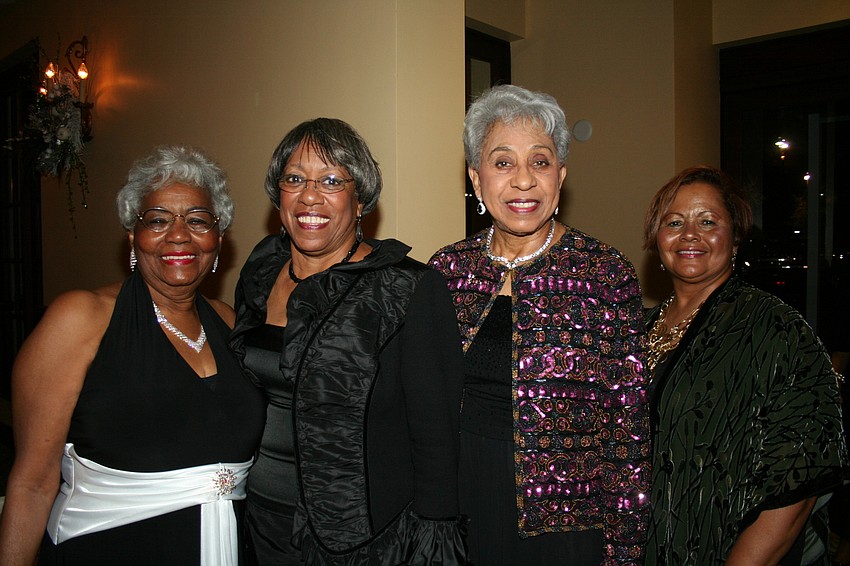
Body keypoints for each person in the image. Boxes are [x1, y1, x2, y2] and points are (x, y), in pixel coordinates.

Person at [0, 145, 266, 565]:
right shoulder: (80, 318)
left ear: (218, 240)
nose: (178, 235)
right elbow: (32, 483)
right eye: (158, 220)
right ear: (132, 236)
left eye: (197, 220)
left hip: (226, 546)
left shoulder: (230, 322)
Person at [230, 117, 467, 565]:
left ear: (360, 202)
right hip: (255, 519)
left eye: (332, 180)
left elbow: (436, 441)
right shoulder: (261, 270)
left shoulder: (406, 289)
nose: (310, 196)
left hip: (357, 542)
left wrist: (432, 546)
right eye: (295, 178)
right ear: (278, 194)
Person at [429, 84, 650, 565]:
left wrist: (624, 549)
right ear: (476, 177)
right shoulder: (446, 271)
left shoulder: (603, 273)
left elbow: (626, 432)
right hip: (459, 511)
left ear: (562, 175)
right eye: (502, 162)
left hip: (566, 526)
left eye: (541, 161)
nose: (523, 181)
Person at [642, 165, 848, 565]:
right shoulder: (638, 326)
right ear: (656, 237)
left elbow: (799, 479)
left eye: (708, 221)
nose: (689, 234)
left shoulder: (777, 332)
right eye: (674, 221)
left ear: (735, 238)